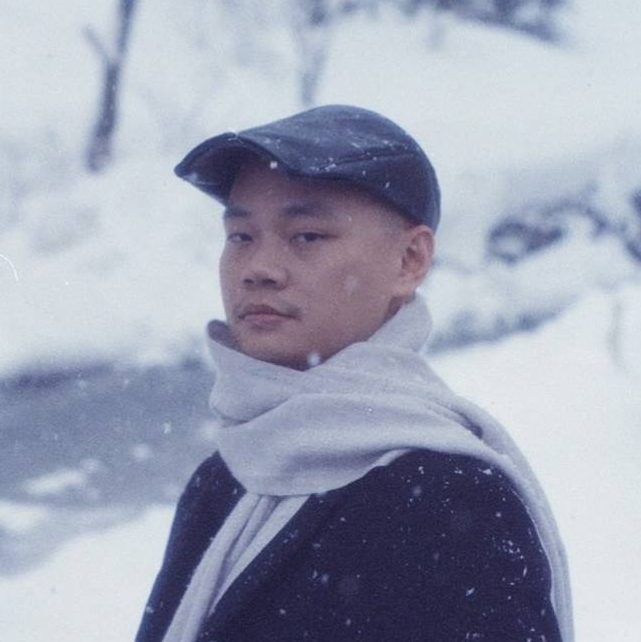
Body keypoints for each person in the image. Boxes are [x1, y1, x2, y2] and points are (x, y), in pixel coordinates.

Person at [135, 105, 572, 642]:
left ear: (409, 260)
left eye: (306, 236)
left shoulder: (451, 501)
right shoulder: (226, 478)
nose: (257, 269)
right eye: (241, 236)